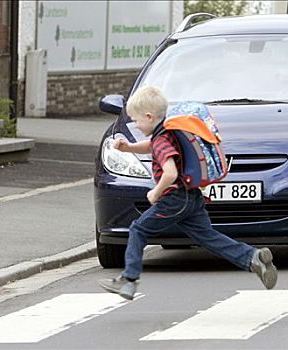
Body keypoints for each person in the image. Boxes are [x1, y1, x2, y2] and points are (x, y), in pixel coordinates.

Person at [98, 86, 278, 300]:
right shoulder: (166, 132)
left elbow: (170, 172)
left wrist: (156, 192)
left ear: (149, 116)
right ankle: (252, 258)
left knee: (138, 229)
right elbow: (151, 145)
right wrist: (129, 148)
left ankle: (128, 281)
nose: (135, 125)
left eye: (137, 121)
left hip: (174, 199)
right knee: (208, 237)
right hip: (192, 196)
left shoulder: (162, 140)